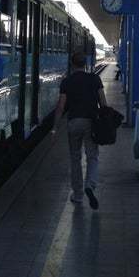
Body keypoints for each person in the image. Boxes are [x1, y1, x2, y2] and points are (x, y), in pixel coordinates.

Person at [53, 51, 108, 210]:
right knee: (92, 156)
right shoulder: (95, 79)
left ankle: (77, 195)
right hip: (91, 122)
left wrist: (54, 128)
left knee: (75, 158)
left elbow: (61, 106)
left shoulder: (67, 81)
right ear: (85, 64)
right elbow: (103, 102)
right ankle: (90, 185)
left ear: (72, 64)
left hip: (74, 123)